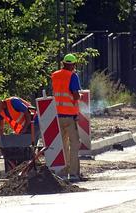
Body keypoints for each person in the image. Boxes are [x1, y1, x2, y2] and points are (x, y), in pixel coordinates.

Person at [51, 53, 82, 182]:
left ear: (63, 63)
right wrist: (79, 96)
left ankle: (62, 172)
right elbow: (75, 95)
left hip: (57, 115)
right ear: (73, 65)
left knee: (63, 144)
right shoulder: (72, 76)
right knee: (74, 144)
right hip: (69, 116)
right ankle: (74, 173)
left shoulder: (55, 75)